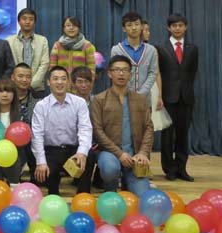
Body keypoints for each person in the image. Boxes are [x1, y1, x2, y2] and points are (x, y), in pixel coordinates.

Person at [90, 55, 154, 196]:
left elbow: (149, 127)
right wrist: (120, 154)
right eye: (117, 70)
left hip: (134, 155)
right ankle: (110, 186)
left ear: (130, 74)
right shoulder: (99, 100)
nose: (121, 73)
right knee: (110, 169)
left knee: (143, 196)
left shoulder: (140, 99)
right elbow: (97, 131)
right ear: (109, 73)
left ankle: (127, 180)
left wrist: (143, 152)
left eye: (125, 70)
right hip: (109, 153)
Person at [31, 66, 95, 195]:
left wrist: (82, 152)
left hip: (73, 149)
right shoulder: (41, 106)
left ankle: (83, 195)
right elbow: (37, 135)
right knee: (49, 175)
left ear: (69, 82)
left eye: (63, 79)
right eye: (55, 79)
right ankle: (53, 195)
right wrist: (41, 162)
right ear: (48, 82)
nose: (59, 82)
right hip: (51, 150)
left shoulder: (79, 103)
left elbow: (85, 129)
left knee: (90, 156)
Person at [156, 14, 198, 182]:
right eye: (174, 25)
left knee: (183, 134)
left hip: (186, 98)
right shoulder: (161, 48)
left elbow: (192, 72)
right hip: (168, 98)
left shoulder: (192, 49)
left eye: (180, 25)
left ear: (185, 27)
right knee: (167, 135)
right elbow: (159, 73)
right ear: (169, 28)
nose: (177, 28)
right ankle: (169, 169)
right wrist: (160, 96)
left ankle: (182, 168)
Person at [111, 12, 158, 104]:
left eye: (137, 24)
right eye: (129, 25)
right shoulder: (116, 50)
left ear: (142, 27)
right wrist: (129, 94)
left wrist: (141, 94)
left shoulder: (151, 50)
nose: (134, 28)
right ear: (124, 28)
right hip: (123, 99)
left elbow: (152, 73)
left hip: (144, 100)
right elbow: (115, 74)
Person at [6, 8, 50, 96]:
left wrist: (31, 84)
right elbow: (8, 65)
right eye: (24, 19)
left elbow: (44, 64)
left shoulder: (42, 40)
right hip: (15, 89)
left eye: (31, 19)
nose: (27, 22)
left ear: (34, 22)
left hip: (36, 89)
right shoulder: (9, 41)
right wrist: (18, 84)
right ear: (19, 21)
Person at [10, 63, 39, 180]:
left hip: (32, 139)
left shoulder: (38, 99)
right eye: (20, 76)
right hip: (10, 140)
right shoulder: (4, 97)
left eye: (28, 77)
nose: (24, 80)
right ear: (12, 77)